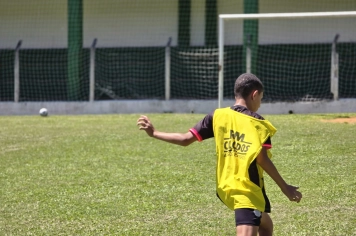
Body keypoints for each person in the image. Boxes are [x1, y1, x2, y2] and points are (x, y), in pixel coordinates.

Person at [136, 73, 302, 236]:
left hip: (225, 188)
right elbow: (262, 159)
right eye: (261, 98)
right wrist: (285, 187)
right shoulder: (258, 123)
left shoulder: (217, 116)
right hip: (246, 191)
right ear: (255, 94)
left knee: (266, 227)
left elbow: (185, 139)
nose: (260, 103)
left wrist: (155, 133)